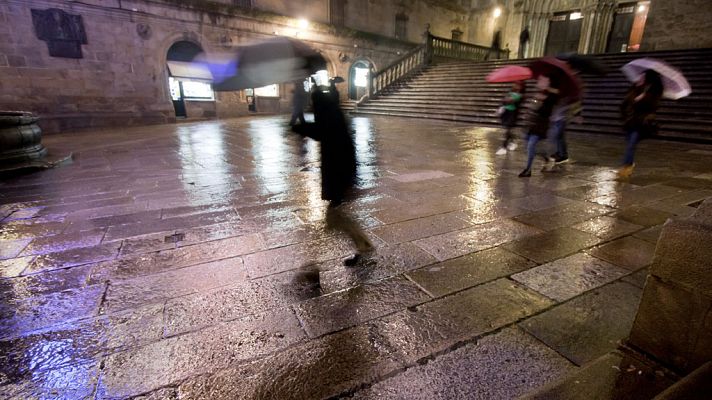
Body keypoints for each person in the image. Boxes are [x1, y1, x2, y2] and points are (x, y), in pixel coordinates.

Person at [618, 69, 663, 178]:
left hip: (641, 122)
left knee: (631, 144)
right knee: (630, 143)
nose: (640, 78)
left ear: (648, 79)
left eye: (643, 76)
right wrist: (634, 97)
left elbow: (654, 107)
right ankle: (629, 163)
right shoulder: (635, 88)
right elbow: (624, 104)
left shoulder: (653, 92)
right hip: (630, 121)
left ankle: (626, 167)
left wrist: (644, 97)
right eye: (640, 76)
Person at [519, 74, 560, 177]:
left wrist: (542, 100)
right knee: (530, 146)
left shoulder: (552, 95)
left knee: (531, 145)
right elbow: (534, 106)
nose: (540, 83)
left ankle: (528, 170)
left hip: (541, 124)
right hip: (532, 122)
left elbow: (546, 110)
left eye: (544, 81)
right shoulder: (539, 93)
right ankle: (547, 158)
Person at [496, 80, 526, 155]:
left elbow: (510, 101)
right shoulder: (510, 93)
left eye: (518, 85)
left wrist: (509, 99)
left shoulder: (521, 95)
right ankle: (513, 141)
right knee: (507, 129)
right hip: (505, 113)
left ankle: (503, 148)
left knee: (507, 130)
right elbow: (504, 101)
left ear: (522, 87)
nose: (516, 86)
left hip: (512, 114)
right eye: (515, 84)